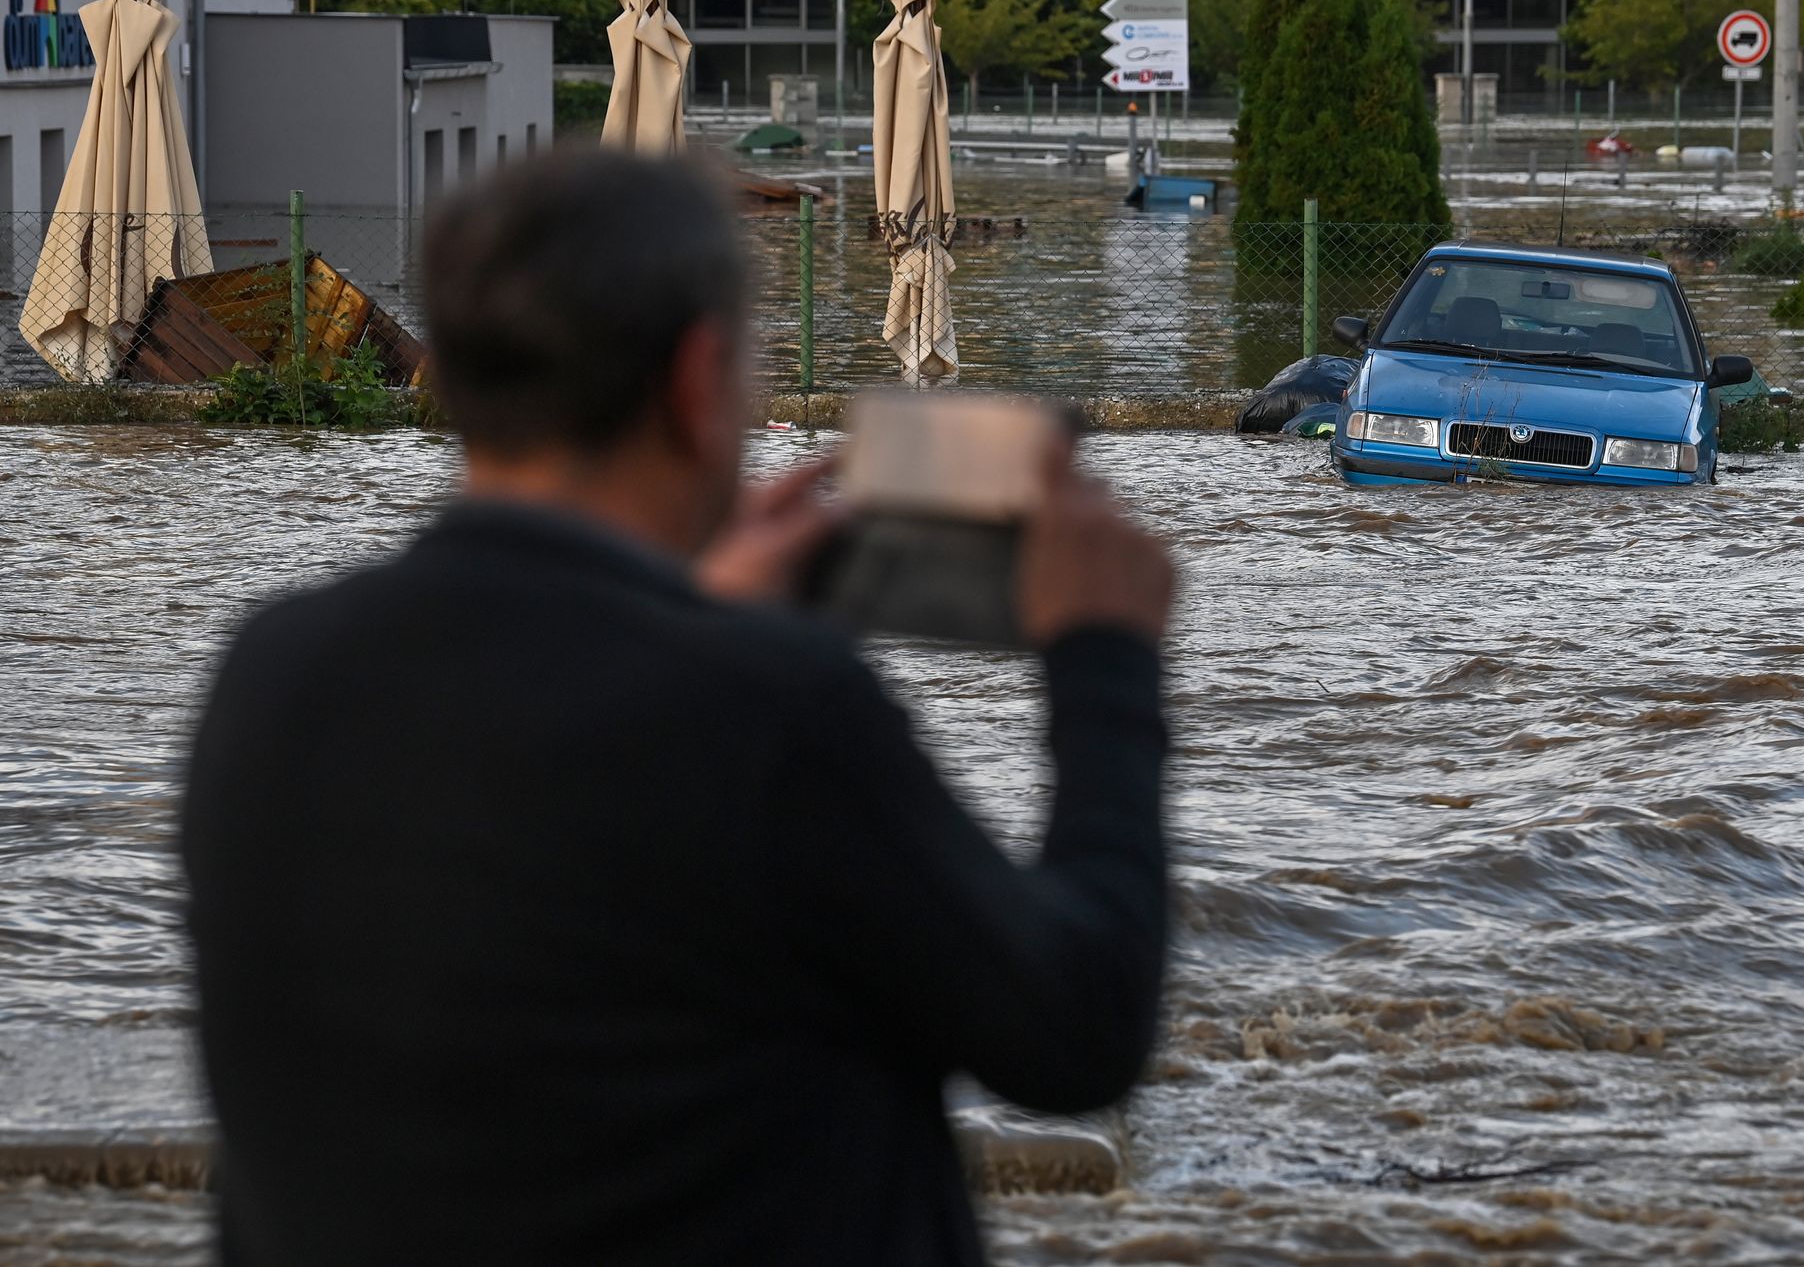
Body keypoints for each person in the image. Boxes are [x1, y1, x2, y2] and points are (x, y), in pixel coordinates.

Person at [180, 150, 1176, 1266]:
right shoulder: (772, 712)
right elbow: (1076, 1029)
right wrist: (1103, 658)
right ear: (698, 382)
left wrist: (691, 611)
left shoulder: (271, 670)